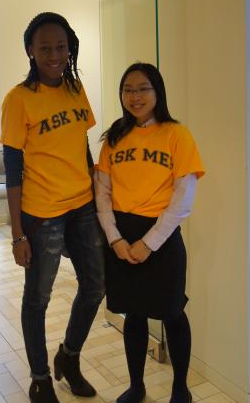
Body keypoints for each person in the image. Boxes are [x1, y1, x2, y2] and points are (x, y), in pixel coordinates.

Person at [0, 12, 105, 403]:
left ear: (69, 47)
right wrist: (17, 235)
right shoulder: (18, 99)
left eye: (61, 46)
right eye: (45, 47)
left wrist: (97, 199)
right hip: (41, 213)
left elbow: (82, 147)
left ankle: (69, 357)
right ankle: (40, 378)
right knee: (38, 298)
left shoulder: (76, 89)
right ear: (30, 50)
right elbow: (12, 170)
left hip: (82, 206)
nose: (55, 54)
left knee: (95, 286)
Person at [94, 62, 205, 403]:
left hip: (161, 236)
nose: (135, 96)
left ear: (157, 91)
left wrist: (150, 242)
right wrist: (114, 238)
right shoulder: (114, 136)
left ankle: (179, 387)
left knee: (173, 312)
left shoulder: (176, 134)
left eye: (143, 88)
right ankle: (136, 385)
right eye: (128, 89)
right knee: (134, 312)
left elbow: (183, 197)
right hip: (122, 236)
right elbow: (102, 192)